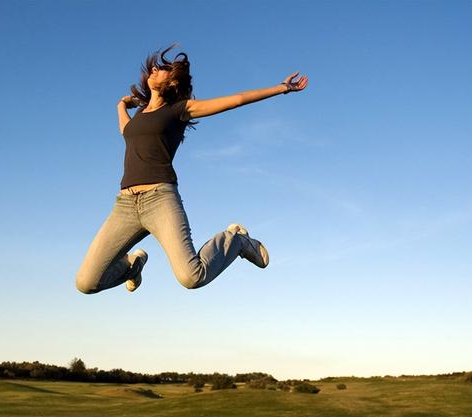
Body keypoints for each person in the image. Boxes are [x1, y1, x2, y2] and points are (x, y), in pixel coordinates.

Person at [75, 44, 308, 294]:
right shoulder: (140, 116)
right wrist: (121, 106)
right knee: (86, 283)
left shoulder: (179, 109)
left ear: (173, 82)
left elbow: (236, 100)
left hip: (159, 199)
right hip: (125, 205)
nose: (154, 69)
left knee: (192, 277)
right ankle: (133, 266)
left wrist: (282, 88)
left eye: (163, 69)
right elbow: (126, 130)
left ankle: (236, 240)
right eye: (154, 67)